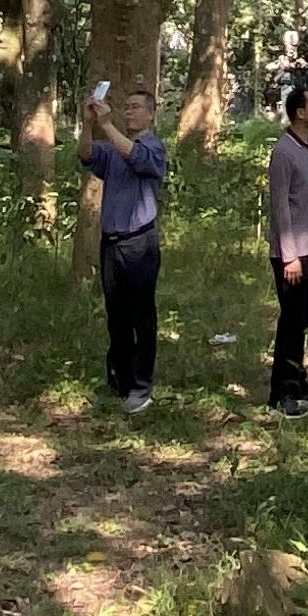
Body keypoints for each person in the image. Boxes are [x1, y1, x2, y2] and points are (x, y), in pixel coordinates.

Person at [82, 80, 170, 410]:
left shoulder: (153, 148)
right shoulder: (114, 148)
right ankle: (119, 378)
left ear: (150, 114)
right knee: (115, 315)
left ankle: (141, 385)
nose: (128, 112)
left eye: (135, 108)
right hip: (111, 244)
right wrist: (89, 125)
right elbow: (87, 154)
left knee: (141, 317)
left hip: (139, 244)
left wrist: (106, 124)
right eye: (126, 107)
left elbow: (134, 156)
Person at [266, 80, 308, 413]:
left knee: (301, 320)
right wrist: (289, 257)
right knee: (290, 321)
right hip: (291, 255)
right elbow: (279, 208)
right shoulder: (283, 152)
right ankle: (281, 393)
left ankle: (298, 380)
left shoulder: (307, 148)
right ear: (300, 113)